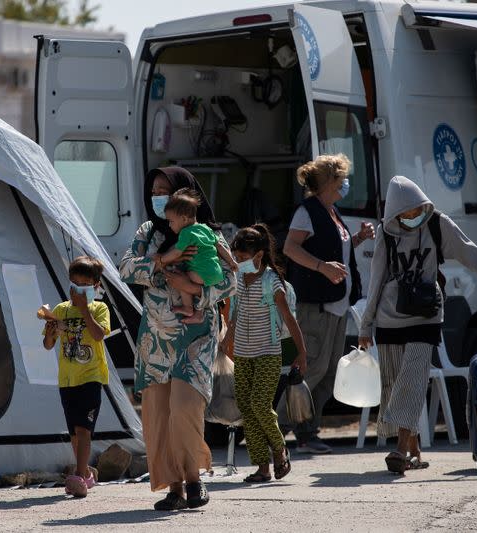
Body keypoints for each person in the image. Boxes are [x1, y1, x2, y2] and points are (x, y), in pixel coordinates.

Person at [357, 175, 477, 474]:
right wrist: (366, 326)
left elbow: (472, 254)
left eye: (417, 211)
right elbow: (377, 277)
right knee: (394, 384)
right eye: (406, 215)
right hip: (389, 319)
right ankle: (414, 451)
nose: (412, 218)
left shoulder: (437, 223)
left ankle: (399, 450)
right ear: (394, 213)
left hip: (426, 315)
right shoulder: (386, 232)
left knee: (413, 379)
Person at [119, 166, 236, 511]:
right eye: (153, 190)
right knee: (159, 415)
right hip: (155, 341)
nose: (158, 197)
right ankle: (174, 488)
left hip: (196, 338)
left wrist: (195, 291)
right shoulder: (147, 232)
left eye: (165, 191)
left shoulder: (209, 232)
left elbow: (230, 278)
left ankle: (194, 479)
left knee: (185, 408)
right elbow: (126, 268)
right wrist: (162, 262)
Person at [283, 153, 374, 454]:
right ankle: (276, 428)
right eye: (341, 179)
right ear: (328, 182)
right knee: (312, 369)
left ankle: (308, 432)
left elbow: (337, 250)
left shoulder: (331, 211)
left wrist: (358, 238)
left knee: (330, 371)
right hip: (317, 305)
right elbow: (290, 248)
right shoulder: (307, 211)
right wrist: (322, 267)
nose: (345, 184)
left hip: (337, 305)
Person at [221, 224, 308, 483]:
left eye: (243, 259)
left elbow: (289, 320)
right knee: (247, 409)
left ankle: (280, 450)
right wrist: (228, 338)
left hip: (268, 354)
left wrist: (301, 353)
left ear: (258, 256)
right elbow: (235, 312)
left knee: (260, 404)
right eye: (236, 258)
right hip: (244, 356)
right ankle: (262, 467)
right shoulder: (238, 279)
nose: (239, 263)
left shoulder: (272, 282)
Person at [41, 256, 110, 498]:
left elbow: (99, 335)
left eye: (84, 286)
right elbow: (48, 345)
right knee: (74, 433)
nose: (77, 291)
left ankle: (79, 477)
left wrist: (84, 309)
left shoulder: (99, 308)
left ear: (95, 287)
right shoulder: (60, 310)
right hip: (67, 379)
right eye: (74, 285)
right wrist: (50, 333)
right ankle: (86, 474)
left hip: (91, 377)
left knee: (83, 429)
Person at [160, 188, 238, 324]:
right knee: (195, 279)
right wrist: (231, 261)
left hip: (200, 274)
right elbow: (219, 246)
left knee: (181, 278)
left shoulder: (186, 233)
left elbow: (178, 252)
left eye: (171, 221)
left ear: (183, 219)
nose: (169, 225)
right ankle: (199, 312)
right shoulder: (206, 228)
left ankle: (188, 308)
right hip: (216, 273)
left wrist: (161, 259)